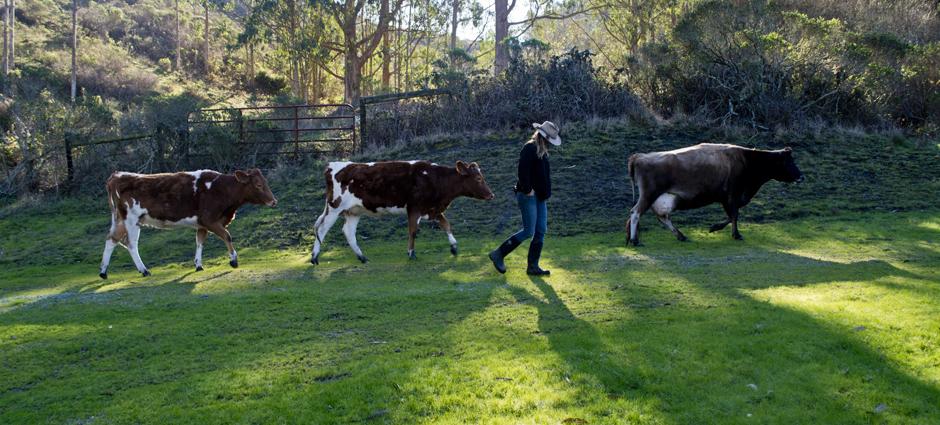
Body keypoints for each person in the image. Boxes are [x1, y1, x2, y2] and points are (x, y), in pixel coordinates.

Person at [489, 121, 561, 276]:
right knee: (529, 231)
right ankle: (498, 254)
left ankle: (533, 266)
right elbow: (522, 171)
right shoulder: (529, 148)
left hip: (540, 197)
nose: (550, 144)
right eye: (549, 141)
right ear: (544, 137)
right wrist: (528, 190)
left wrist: (545, 193)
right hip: (528, 196)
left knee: (541, 230)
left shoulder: (542, 152)